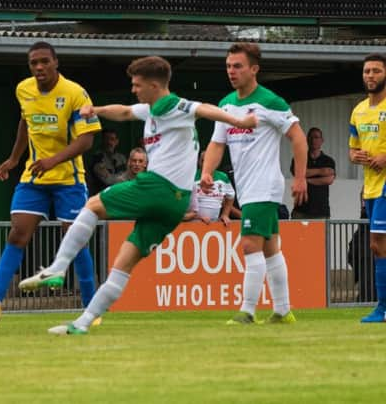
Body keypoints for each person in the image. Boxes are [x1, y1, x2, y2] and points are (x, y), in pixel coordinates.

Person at [17, 55, 258, 335]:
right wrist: (96, 109)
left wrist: (240, 120)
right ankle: (80, 324)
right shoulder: (152, 109)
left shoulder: (172, 104)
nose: (134, 90)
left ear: (154, 85)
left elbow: (203, 109)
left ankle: (57, 269)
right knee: (123, 264)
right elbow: (125, 112)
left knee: (92, 206)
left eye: (137, 85)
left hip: (157, 187)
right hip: (173, 204)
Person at [0, 41, 101, 323]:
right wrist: (14, 158)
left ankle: (92, 308)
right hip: (34, 176)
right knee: (18, 233)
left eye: (45, 61)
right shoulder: (23, 89)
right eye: (34, 63)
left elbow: (86, 139)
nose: (39, 67)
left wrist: (53, 161)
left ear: (56, 63)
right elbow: (25, 122)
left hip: (69, 178)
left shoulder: (75, 93)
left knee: (76, 239)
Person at [201, 42, 308, 325]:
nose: (231, 71)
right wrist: (207, 172)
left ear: (254, 69)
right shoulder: (226, 104)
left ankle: (247, 311)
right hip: (247, 188)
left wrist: (299, 178)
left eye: (237, 66)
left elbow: (298, 137)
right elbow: (216, 143)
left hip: (264, 185)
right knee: (271, 248)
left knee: (249, 245)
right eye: (228, 66)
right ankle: (283, 311)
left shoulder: (270, 102)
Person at [349, 53, 386, 322]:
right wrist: (357, 156)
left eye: (375, 71)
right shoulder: (358, 110)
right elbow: (352, 149)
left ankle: (383, 308)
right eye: (366, 71)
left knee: (377, 243)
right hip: (371, 188)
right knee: (378, 246)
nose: (370, 76)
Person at [290, 127, 335, 219]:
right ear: (307, 139)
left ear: (322, 140)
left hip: (321, 211)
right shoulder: (299, 158)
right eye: (310, 137)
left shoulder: (328, 161)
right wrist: (321, 171)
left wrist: (306, 180)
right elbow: (298, 172)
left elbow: (329, 180)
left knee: (321, 234)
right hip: (301, 209)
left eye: (316, 137)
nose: (313, 140)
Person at [184, 151, 235, 225]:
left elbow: (231, 196)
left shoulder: (223, 177)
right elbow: (183, 199)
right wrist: (197, 217)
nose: (205, 164)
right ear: (198, 162)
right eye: (202, 161)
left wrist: (225, 214)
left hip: (214, 224)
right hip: (193, 223)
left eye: (209, 161)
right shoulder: (192, 176)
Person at [87, 128, 127, 194]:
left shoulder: (121, 158)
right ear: (102, 140)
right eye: (106, 139)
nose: (109, 142)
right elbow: (108, 180)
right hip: (103, 195)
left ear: (117, 142)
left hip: (120, 194)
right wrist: (126, 178)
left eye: (112, 139)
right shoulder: (97, 158)